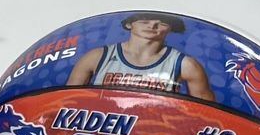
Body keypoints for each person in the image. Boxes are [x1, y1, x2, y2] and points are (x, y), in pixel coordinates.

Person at [68, 12, 214, 101]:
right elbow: (67, 102)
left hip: (154, 134)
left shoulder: (185, 65)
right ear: (129, 24)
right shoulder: (97, 57)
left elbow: (207, 115)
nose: (152, 26)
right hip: (102, 130)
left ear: (171, 28)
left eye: (162, 23)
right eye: (145, 21)